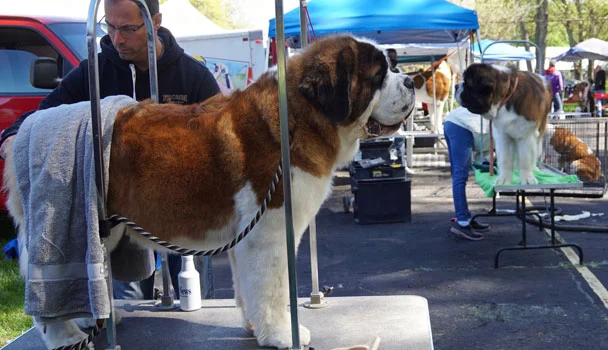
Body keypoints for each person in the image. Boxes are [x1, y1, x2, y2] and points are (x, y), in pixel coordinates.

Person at [0, 0, 220, 300]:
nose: (117, 39)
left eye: (128, 29)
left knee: (193, 308)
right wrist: (12, 136)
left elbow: (221, 143)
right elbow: (44, 115)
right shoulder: (93, 73)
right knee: (125, 307)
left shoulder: (193, 76)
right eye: (110, 27)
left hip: (184, 215)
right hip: (121, 218)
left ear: (155, 22)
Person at [443, 107, 491, 241]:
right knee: (460, 174)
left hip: (455, 122)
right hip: (461, 125)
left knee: (458, 174)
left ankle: (464, 216)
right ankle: (462, 222)